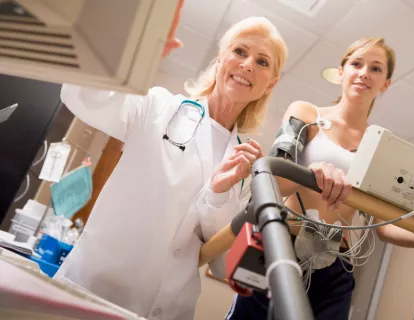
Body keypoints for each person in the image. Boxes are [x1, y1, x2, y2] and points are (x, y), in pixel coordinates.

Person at [53, 8, 288, 320]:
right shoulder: (159, 107)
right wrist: (131, 59)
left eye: (262, 61)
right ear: (220, 59)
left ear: (269, 84)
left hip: (172, 310)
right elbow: (82, 97)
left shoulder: (247, 165)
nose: (247, 65)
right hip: (95, 294)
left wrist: (218, 195)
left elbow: (221, 262)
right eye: (240, 51)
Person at [226, 37, 414, 320]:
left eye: (376, 69)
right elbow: (276, 184)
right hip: (281, 247)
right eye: (356, 64)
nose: (363, 73)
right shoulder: (306, 114)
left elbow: (386, 226)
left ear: (386, 83)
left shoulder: (381, 148)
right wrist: (311, 174)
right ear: (341, 71)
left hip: (336, 266)